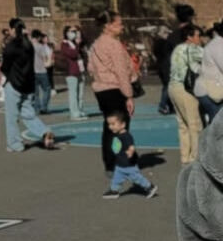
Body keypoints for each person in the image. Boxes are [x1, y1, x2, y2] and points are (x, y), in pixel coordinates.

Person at [87, 11, 135, 175]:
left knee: (109, 127)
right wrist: (129, 95)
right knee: (120, 128)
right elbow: (121, 72)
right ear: (108, 26)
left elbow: (90, 68)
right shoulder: (114, 45)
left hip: (101, 90)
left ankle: (110, 163)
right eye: (119, 24)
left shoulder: (96, 44)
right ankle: (119, 162)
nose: (122, 27)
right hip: (115, 89)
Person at [0, 19, 56, 152]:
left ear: (13, 30)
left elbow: (5, 66)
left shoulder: (11, 46)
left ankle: (15, 144)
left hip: (14, 84)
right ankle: (44, 131)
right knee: (28, 114)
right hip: (28, 84)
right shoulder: (28, 45)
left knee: (12, 117)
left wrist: (7, 74)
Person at [167, 25, 205, 165]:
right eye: (197, 35)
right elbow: (209, 56)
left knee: (183, 125)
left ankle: (185, 156)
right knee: (195, 124)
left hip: (173, 87)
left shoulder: (177, 48)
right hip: (185, 89)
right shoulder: (192, 49)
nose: (200, 39)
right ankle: (195, 157)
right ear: (189, 37)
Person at [101, 111, 158, 199]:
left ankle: (150, 187)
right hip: (120, 164)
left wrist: (130, 151)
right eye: (109, 124)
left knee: (136, 178)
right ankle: (114, 190)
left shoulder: (126, 136)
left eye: (113, 124)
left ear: (123, 124)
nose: (110, 126)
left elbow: (131, 146)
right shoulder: (117, 134)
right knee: (117, 178)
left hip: (128, 165)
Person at [59, 26, 88, 121]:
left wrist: (79, 42)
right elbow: (73, 54)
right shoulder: (65, 44)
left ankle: (80, 110)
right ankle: (74, 113)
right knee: (73, 94)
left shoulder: (76, 43)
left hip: (80, 70)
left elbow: (83, 54)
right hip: (71, 71)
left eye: (75, 31)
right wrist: (78, 45)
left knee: (80, 93)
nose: (74, 33)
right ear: (66, 32)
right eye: (72, 31)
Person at [30, 30, 53, 113]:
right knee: (47, 89)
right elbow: (45, 58)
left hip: (32, 72)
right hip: (42, 70)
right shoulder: (40, 46)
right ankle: (44, 107)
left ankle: (36, 107)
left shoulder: (28, 46)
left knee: (35, 92)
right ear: (38, 37)